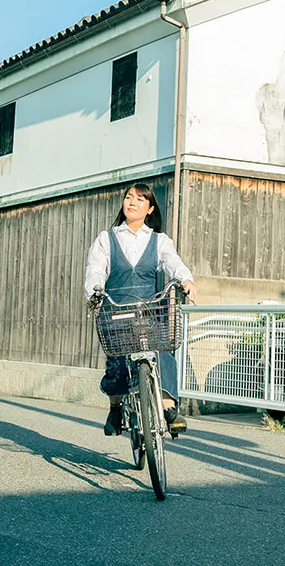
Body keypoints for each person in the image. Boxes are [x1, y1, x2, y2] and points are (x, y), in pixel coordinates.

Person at [84, 183, 195, 436]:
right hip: (117, 312)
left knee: (163, 350)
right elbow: (96, 269)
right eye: (128, 197)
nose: (132, 202)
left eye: (140, 200)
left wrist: (185, 279)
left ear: (150, 209)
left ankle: (168, 408)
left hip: (150, 313)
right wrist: (94, 291)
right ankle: (115, 407)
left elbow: (172, 261)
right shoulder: (107, 239)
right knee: (118, 362)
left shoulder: (159, 241)